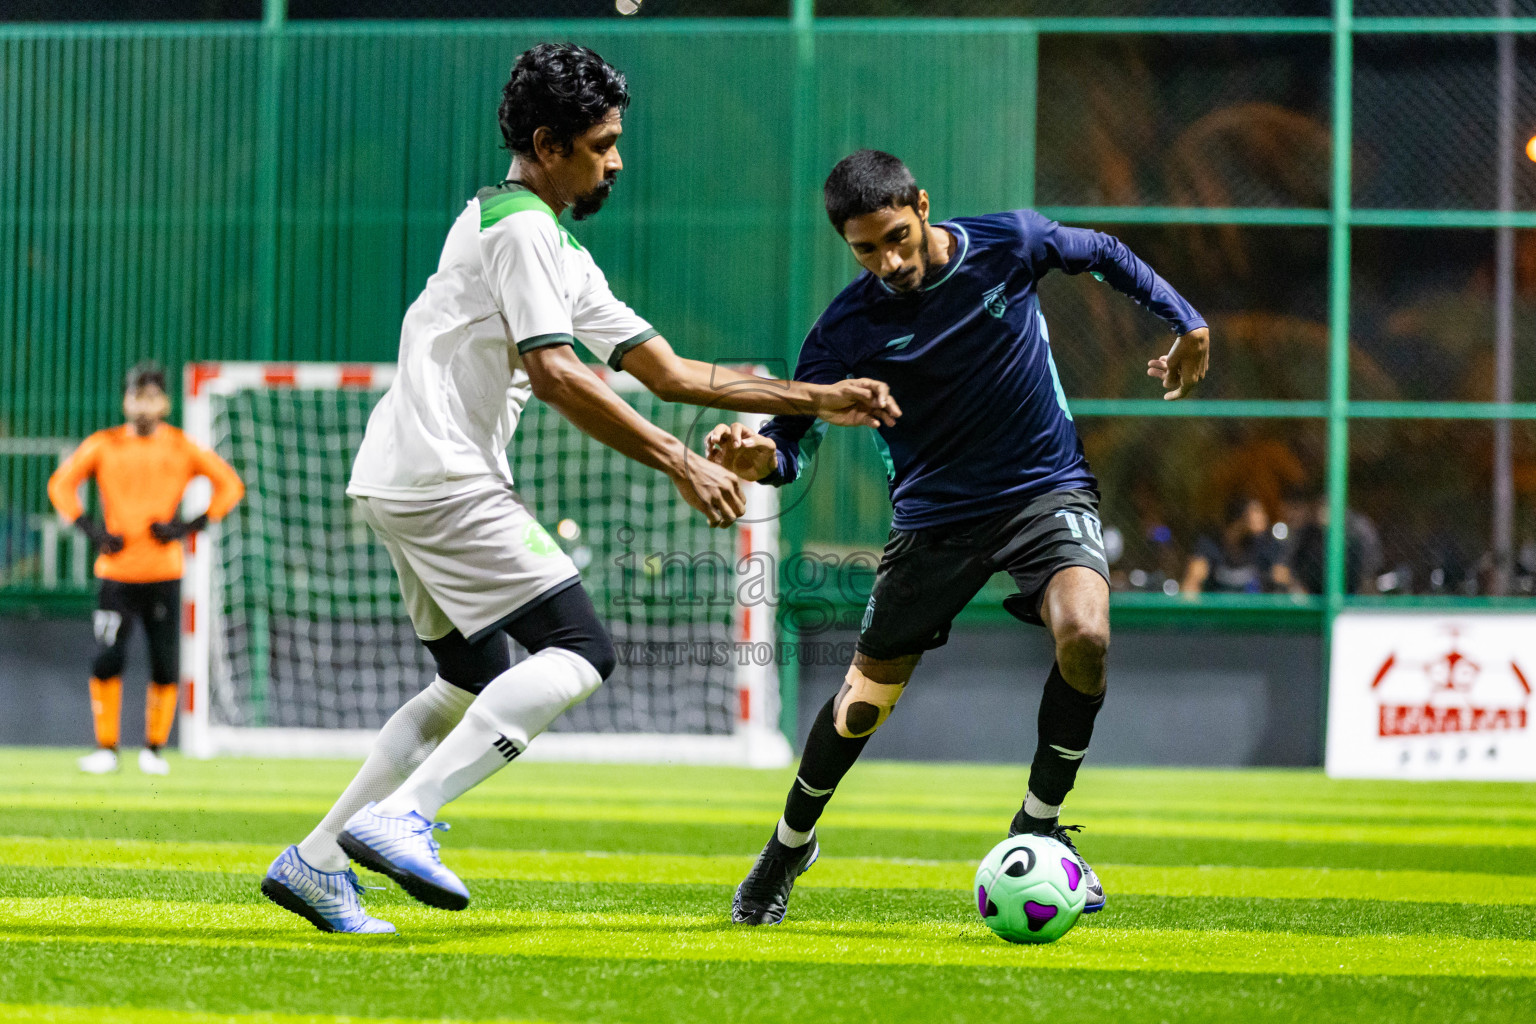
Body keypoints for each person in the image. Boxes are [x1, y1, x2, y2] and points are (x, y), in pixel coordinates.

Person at [259, 44, 897, 935]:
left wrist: (818, 398)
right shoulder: (519, 230)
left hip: (403, 476)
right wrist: (680, 462)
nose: (618, 160)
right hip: (446, 475)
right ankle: (403, 815)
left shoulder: (546, 239)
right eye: (603, 144)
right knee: (581, 650)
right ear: (549, 142)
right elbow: (557, 375)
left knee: (465, 678)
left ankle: (318, 862)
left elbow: (670, 373)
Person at [705, 150, 1210, 925]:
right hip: (933, 519)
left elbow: (1102, 252)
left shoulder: (1010, 243)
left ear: (922, 205)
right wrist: (756, 458)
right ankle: (787, 845)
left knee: (1087, 636)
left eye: (898, 236)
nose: (890, 260)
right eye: (866, 250)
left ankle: (1038, 828)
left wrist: (1189, 324)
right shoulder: (844, 330)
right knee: (862, 704)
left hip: (1046, 490)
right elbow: (789, 445)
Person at [46, 361, 245, 776]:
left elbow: (230, 484)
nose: (143, 404)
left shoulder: (180, 446)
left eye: (151, 396)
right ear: (125, 401)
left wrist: (189, 526)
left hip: (164, 573)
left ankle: (154, 749)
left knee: (165, 664)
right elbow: (60, 484)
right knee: (107, 659)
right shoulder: (104, 445)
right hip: (115, 574)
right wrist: (89, 528)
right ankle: (106, 748)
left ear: (165, 403)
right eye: (136, 395)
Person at [1180, 496, 1291, 594]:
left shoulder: (1264, 543)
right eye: (1257, 511)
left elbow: (1283, 578)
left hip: (1253, 613)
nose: (1264, 517)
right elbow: (1192, 582)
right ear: (1241, 517)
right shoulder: (1210, 544)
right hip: (1218, 613)